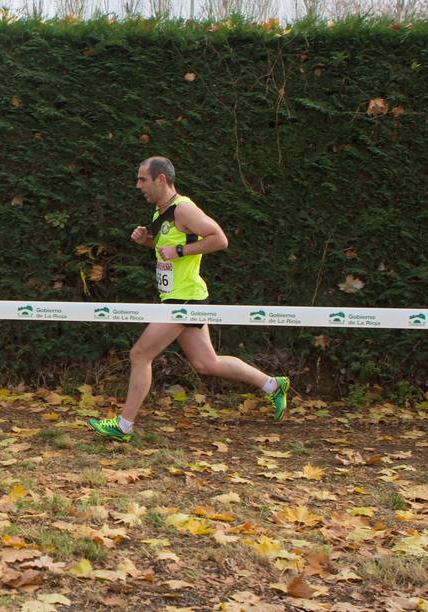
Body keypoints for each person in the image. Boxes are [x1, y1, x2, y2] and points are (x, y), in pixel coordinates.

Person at [87, 156, 289, 442]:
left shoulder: (184, 209)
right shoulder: (162, 213)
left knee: (140, 354)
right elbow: (166, 249)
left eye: (142, 179)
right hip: (182, 296)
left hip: (183, 300)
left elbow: (219, 239)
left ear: (161, 179)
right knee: (207, 363)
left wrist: (181, 251)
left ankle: (124, 426)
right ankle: (272, 385)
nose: (138, 185)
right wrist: (148, 241)